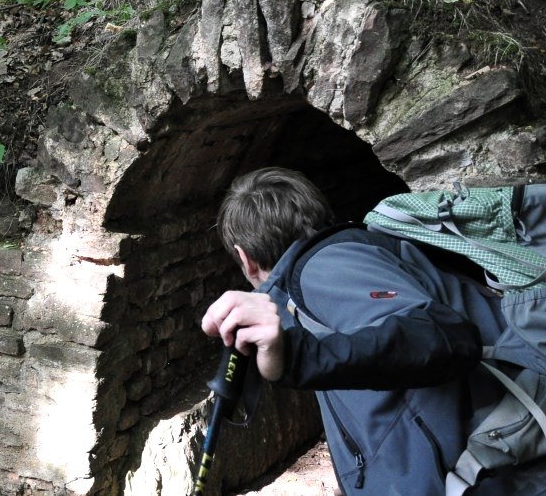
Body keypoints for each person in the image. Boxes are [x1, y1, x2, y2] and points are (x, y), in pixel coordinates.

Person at [200, 167, 546, 495]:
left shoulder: (324, 268)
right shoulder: (327, 270)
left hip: (497, 473)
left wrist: (297, 356)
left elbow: (442, 336)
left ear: (244, 258)